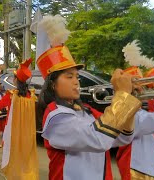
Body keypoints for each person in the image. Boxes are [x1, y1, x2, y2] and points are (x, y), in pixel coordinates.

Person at [36, 15, 141, 180]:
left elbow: (122, 137)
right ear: (52, 85)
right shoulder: (55, 115)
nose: (76, 82)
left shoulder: (88, 111)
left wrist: (130, 100)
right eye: (69, 77)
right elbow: (99, 138)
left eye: (77, 77)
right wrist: (122, 96)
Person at [0, 58, 39, 179]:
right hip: (27, 129)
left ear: (16, 80)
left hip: (14, 129)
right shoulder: (32, 95)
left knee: (12, 150)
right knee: (25, 152)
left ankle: (13, 173)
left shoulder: (11, 95)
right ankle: (26, 173)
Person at [116, 66, 154, 179]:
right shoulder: (129, 115)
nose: (144, 92)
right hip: (138, 171)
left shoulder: (149, 108)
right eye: (138, 88)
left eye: (145, 88)